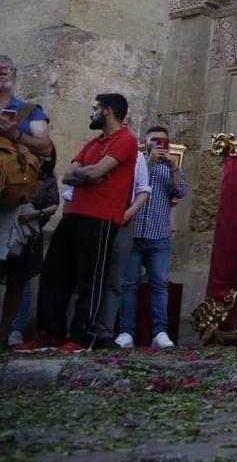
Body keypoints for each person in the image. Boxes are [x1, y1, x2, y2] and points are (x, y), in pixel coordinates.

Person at [21, 93, 137, 352]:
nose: (91, 113)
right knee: (54, 274)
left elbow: (93, 171)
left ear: (106, 110)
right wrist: (89, 176)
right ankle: (50, 333)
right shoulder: (93, 143)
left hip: (102, 218)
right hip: (74, 214)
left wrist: (89, 173)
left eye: (94, 108)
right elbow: (68, 174)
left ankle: (82, 336)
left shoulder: (126, 140)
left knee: (90, 279)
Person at [0, 55, 54, 344]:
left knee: (17, 271)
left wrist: (15, 134)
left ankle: (5, 330)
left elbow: (45, 145)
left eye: (6, 70)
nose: (2, 75)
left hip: (12, 197)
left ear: (15, 74)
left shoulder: (29, 111)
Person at [118, 125, 187, 349]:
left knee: (159, 284)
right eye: (154, 140)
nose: (159, 143)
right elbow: (126, 187)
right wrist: (147, 163)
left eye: (163, 140)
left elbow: (181, 192)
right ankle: (126, 332)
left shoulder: (171, 166)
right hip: (134, 233)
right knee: (129, 284)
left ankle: (160, 332)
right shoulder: (136, 163)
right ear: (145, 142)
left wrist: (174, 168)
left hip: (159, 236)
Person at [96, 132, 149, 347]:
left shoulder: (138, 158)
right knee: (90, 278)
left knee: (115, 279)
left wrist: (128, 214)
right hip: (96, 218)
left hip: (123, 220)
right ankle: (80, 328)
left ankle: (104, 332)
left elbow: (143, 189)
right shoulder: (95, 150)